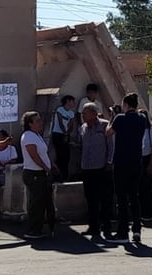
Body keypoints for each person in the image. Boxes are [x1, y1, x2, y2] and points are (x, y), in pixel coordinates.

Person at [105, 92, 145, 245]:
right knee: (134, 196)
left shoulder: (120, 118)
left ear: (126, 105)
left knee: (121, 197)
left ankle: (123, 231)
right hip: (136, 160)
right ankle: (137, 229)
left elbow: (108, 132)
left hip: (121, 161)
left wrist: (112, 116)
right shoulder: (141, 119)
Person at [78, 102, 114, 240]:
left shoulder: (105, 126)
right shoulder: (83, 128)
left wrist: (109, 162)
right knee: (91, 199)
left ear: (93, 113)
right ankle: (93, 227)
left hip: (102, 168)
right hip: (87, 168)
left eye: (85, 113)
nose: (82, 115)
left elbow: (111, 146)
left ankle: (107, 227)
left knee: (105, 199)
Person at [21, 111, 57, 239]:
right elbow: (34, 156)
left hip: (42, 172)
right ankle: (33, 229)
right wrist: (46, 167)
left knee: (44, 201)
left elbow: (43, 153)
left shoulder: (37, 136)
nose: (40, 123)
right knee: (36, 202)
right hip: (34, 173)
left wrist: (51, 164)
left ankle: (41, 227)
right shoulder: (28, 136)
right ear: (30, 124)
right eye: (37, 121)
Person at [51, 95, 76, 181]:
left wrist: (68, 133)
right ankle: (58, 175)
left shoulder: (72, 113)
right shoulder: (60, 110)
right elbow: (60, 123)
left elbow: (71, 125)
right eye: (72, 101)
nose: (74, 103)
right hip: (58, 134)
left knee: (66, 156)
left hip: (66, 135)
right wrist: (64, 133)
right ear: (68, 101)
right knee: (60, 155)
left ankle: (65, 176)